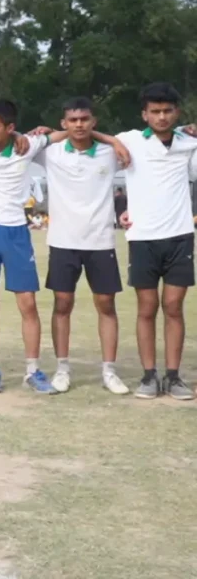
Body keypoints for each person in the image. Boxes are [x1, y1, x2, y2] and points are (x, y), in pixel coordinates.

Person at [32, 98, 131, 395]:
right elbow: (22, 142)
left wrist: (111, 140)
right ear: (63, 123)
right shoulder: (50, 152)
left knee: (106, 304)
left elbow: (133, 153)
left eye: (85, 119)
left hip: (100, 240)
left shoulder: (109, 153)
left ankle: (109, 371)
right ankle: (62, 369)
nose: (79, 125)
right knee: (62, 303)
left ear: (93, 121)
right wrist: (47, 133)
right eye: (72, 120)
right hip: (63, 241)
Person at [116, 83, 197, 399]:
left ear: (177, 113)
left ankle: (173, 376)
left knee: (174, 306)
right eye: (155, 111)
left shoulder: (188, 143)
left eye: (167, 111)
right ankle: (149, 375)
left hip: (179, 236)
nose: (161, 117)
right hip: (143, 238)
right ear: (144, 114)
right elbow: (92, 137)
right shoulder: (130, 140)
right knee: (147, 307)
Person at [0, 99, 52, 394]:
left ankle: (33, 370)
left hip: (15, 231)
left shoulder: (27, 145)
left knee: (27, 303)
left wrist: (36, 132)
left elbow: (63, 133)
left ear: (10, 127)